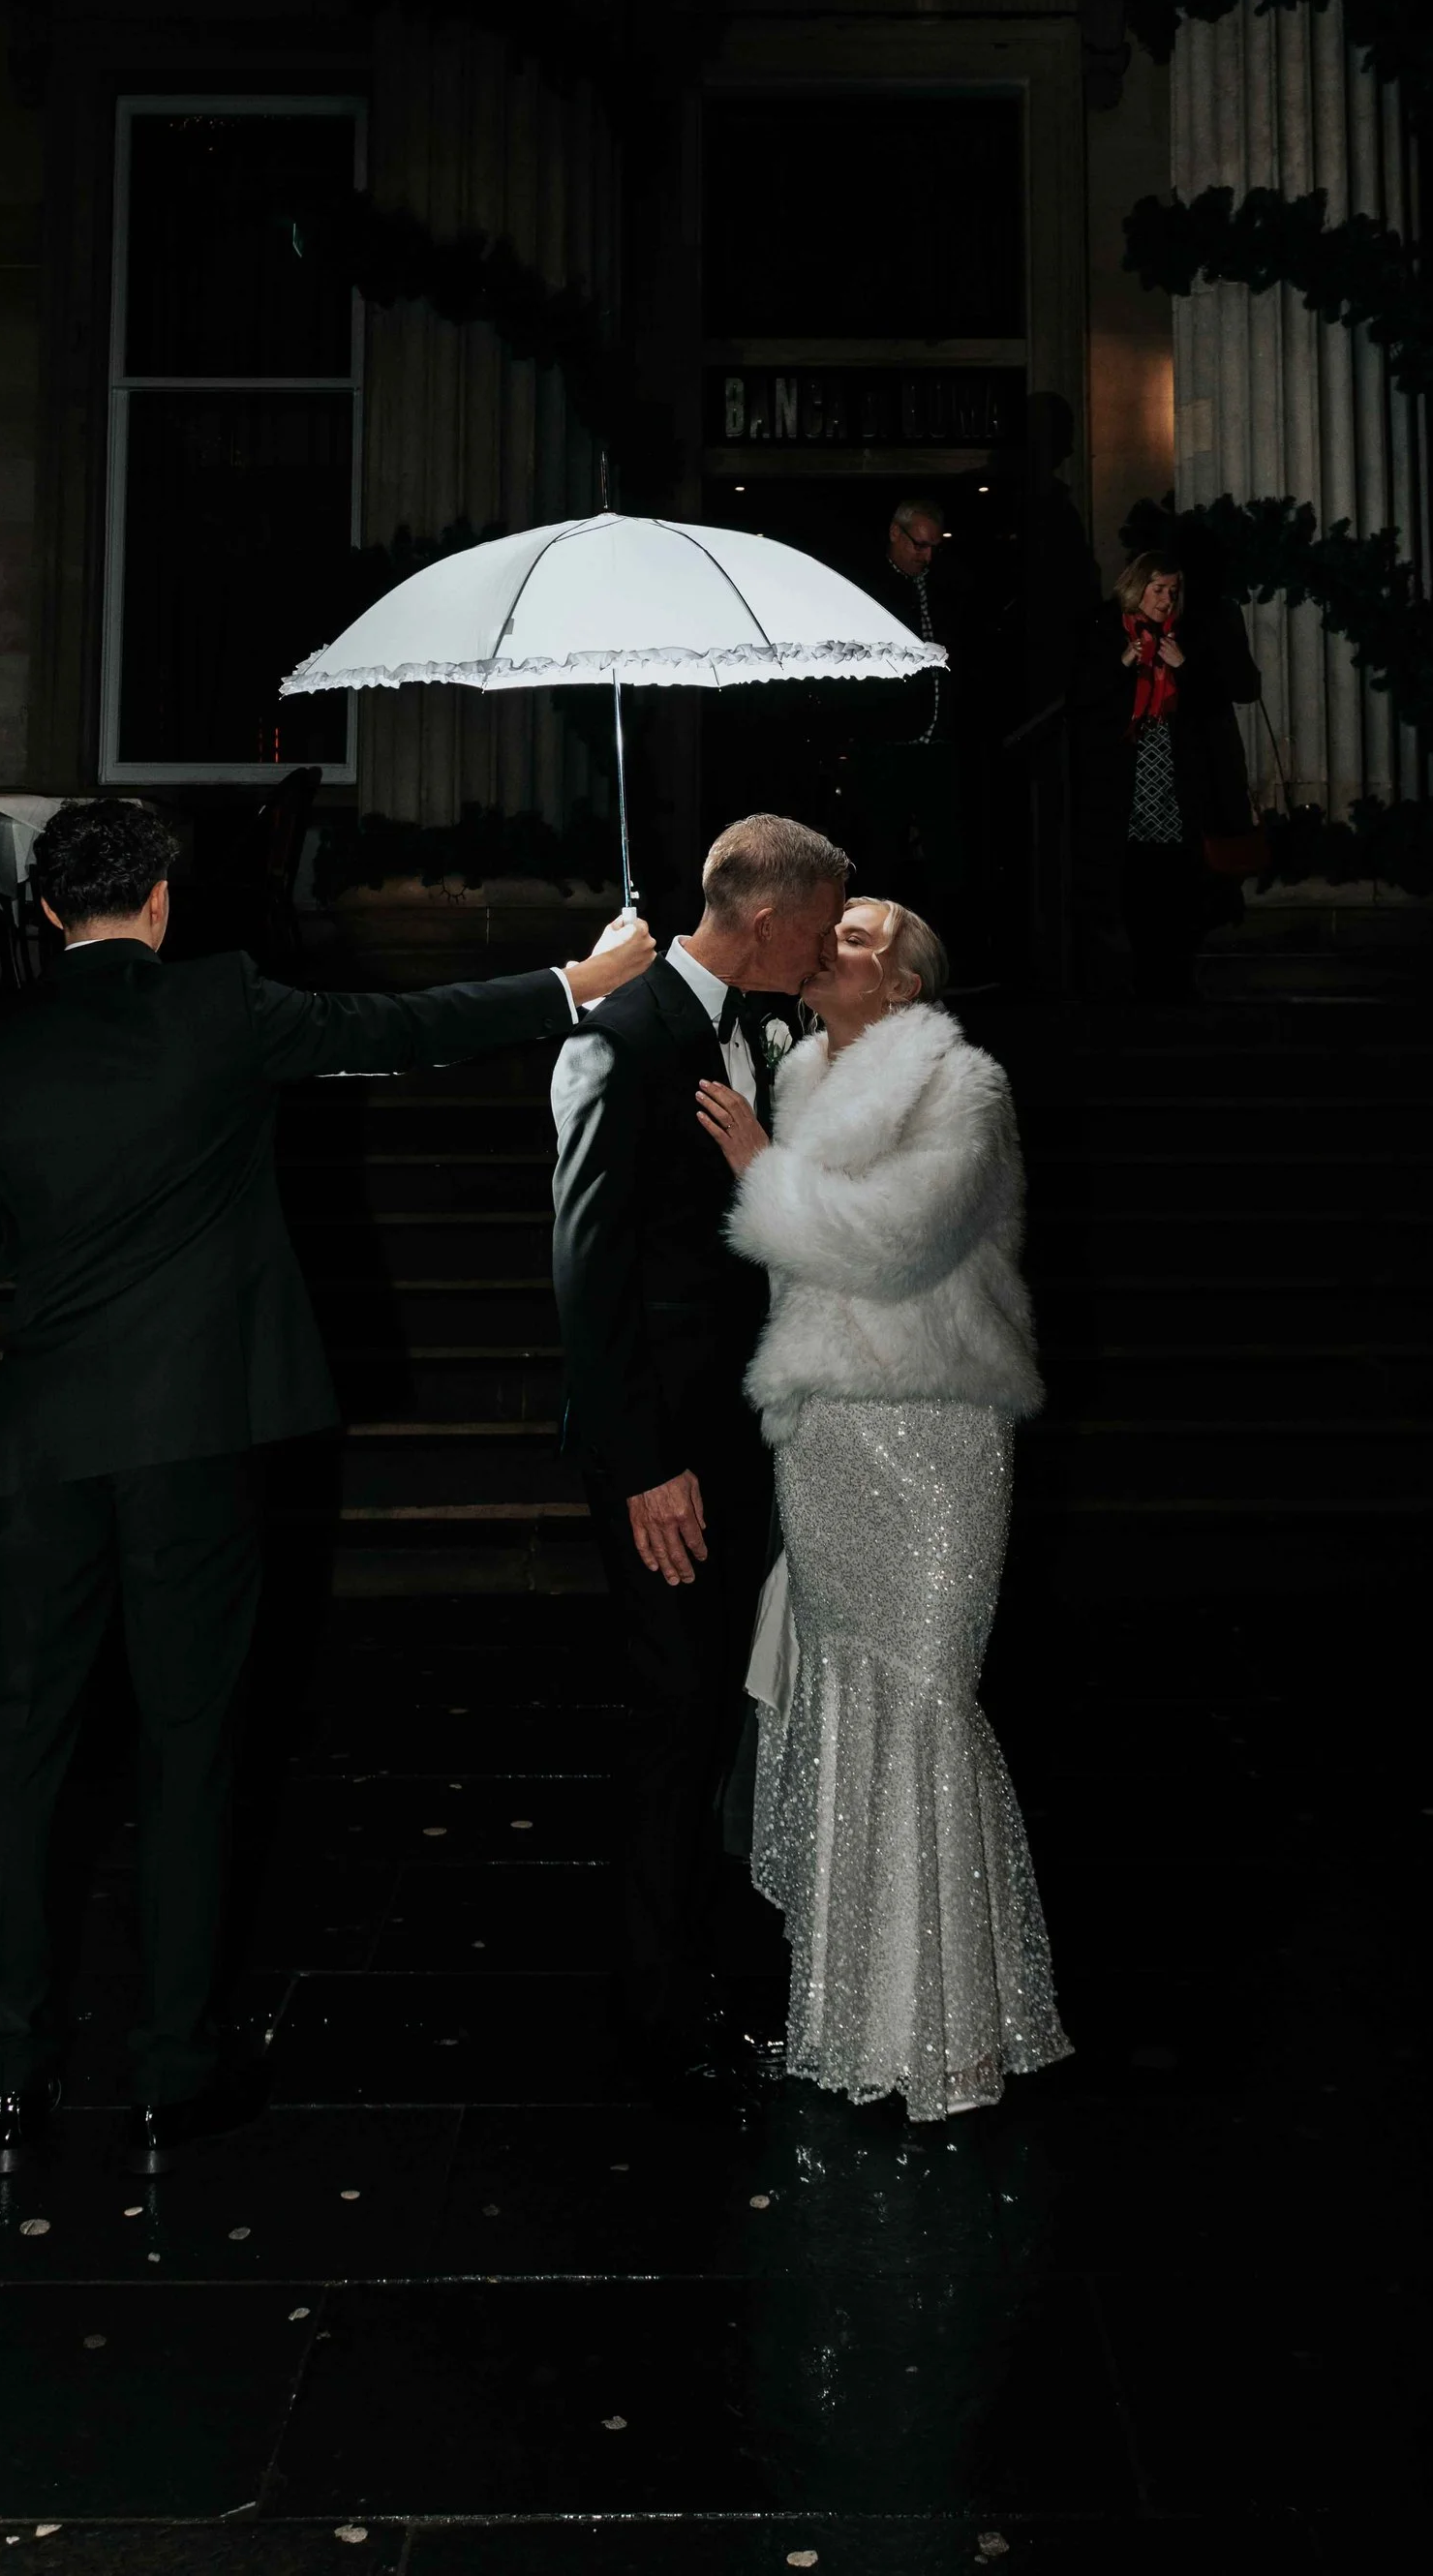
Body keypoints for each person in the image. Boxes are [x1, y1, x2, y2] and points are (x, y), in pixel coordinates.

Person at [0, 793, 655, 2172]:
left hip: (49, 1443)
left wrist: (73, 1245)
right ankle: (172, 2069)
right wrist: (579, 980)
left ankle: (6, 2077)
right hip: (197, 1428)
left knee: (22, 1753)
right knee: (187, 1744)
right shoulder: (218, 1006)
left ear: (45, 910)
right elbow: (403, 1030)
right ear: (160, 901)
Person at [696, 897, 1069, 2121]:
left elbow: (900, 1242)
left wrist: (762, 1171)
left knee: (925, 1693)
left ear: (905, 983)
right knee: (845, 1696)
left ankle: (950, 2033)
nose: (832, 942)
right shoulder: (794, 1073)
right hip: (827, 1434)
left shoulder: (960, 1085)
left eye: (860, 937)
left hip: (935, 1424)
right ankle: (854, 2018)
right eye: (834, 927)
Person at [549, 810, 849, 2083]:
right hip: (659, 1448)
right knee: (675, 1710)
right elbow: (588, 1274)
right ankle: (656, 2012)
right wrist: (641, 1465)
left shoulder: (752, 1030)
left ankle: (687, 1973)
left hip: (732, 1430)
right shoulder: (617, 1040)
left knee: (710, 1701)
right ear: (768, 920)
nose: (824, 950)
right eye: (819, 928)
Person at [1071, 545, 1263, 1000]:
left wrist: (1184, 667)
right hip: (1125, 774)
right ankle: (1139, 970)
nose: (1166, 600)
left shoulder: (1189, 631)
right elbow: (1081, 697)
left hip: (1178, 772)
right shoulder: (1106, 627)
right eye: (1158, 589)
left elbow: (1230, 694)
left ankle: (1173, 971)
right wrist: (1122, 663)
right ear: (1137, 587)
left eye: (1173, 591)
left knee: (1178, 871)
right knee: (1132, 871)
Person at [845, 495, 975, 958]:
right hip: (887, 746)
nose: (927, 556)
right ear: (895, 535)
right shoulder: (870, 587)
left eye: (934, 547)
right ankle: (872, 953)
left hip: (936, 745)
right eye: (919, 545)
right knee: (881, 853)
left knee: (946, 853)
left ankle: (939, 954)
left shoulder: (943, 587)